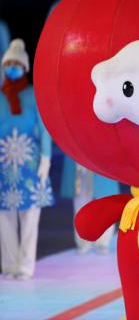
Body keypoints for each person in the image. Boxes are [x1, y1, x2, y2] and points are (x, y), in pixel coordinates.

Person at [0, 39, 53, 280]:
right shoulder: (0, 96)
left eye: (16, 64)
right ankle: (10, 264)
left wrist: (45, 159)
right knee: (5, 218)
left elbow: (44, 129)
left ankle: (26, 266)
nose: (12, 68)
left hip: (30, 164)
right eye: (8, 64)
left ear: (25, 67)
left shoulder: (34, 96)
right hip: (4, 165)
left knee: (30, 216)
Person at [60, 156, 120, 254]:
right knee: (81, 202)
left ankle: (103, 242)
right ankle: (83, 242)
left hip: (101, 156)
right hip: (78, 160)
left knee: (105, 200)